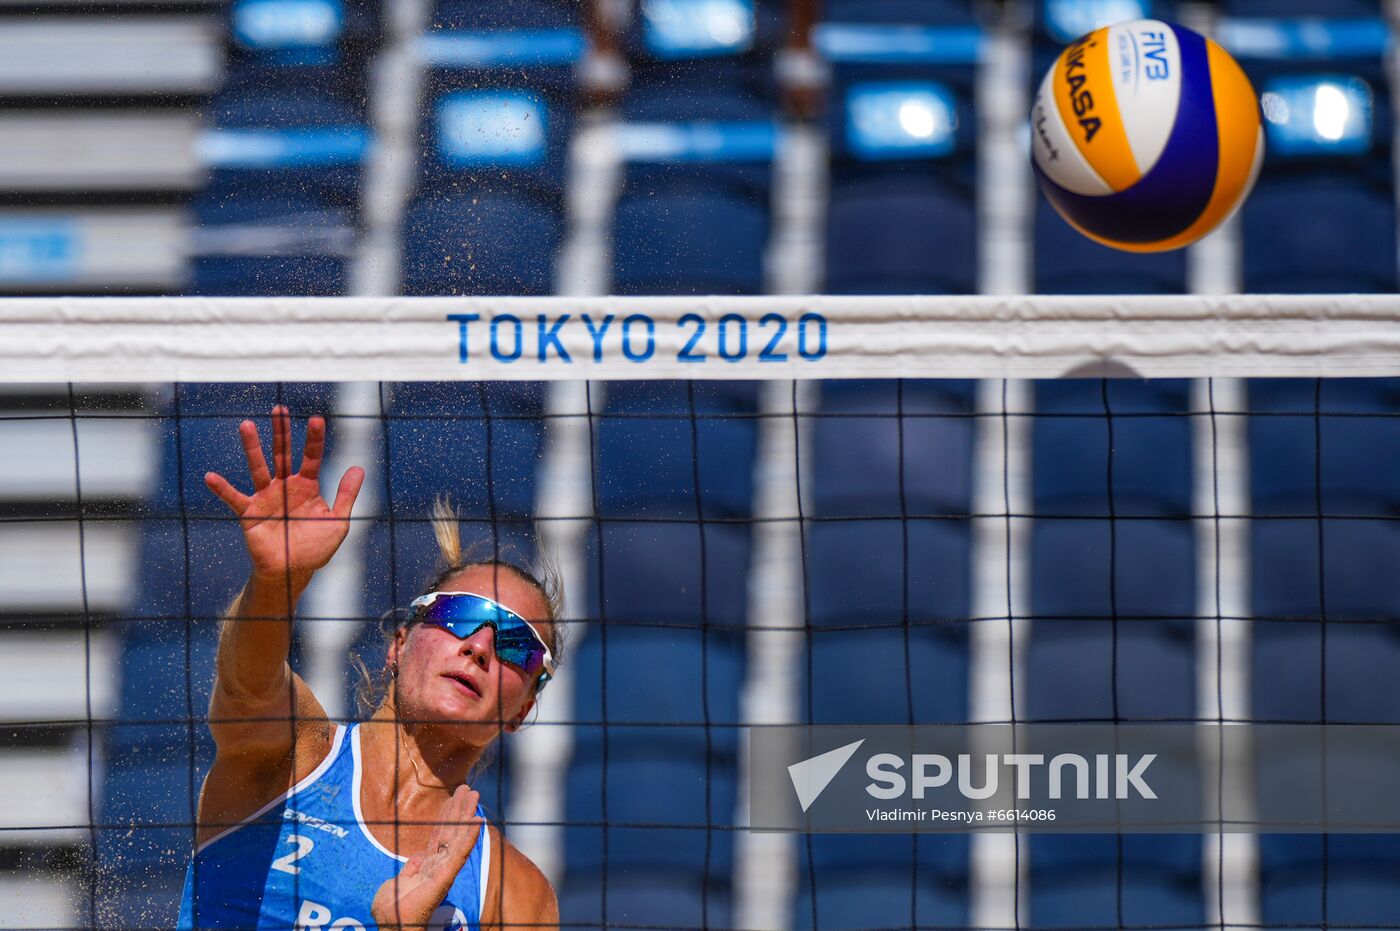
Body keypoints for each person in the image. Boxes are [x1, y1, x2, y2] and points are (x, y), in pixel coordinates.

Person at [176, 405, 561, 930]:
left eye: (518, 644)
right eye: (460, 615)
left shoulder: (513, 894)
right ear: (399, 645)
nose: (480, 646)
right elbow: (248, 681)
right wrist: (276, 582)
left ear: (523, 709)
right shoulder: (297, 756)